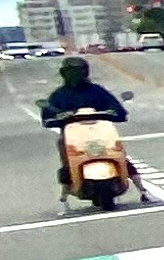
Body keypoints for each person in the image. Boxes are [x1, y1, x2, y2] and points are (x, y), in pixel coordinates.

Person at [37, 54, 127, 186]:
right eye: (71, 71)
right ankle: (68, 173)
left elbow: (117, 108)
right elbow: (48, 115)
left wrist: (112, 112)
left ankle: (131, 175)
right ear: (64, 73)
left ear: (86, 72)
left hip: (100, 131)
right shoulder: (59, 95)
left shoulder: (97, 91)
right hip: (73, 136)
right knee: (62, 142)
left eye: (79, 71)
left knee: (117, 148)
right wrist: (57, 117)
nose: (76, 75)